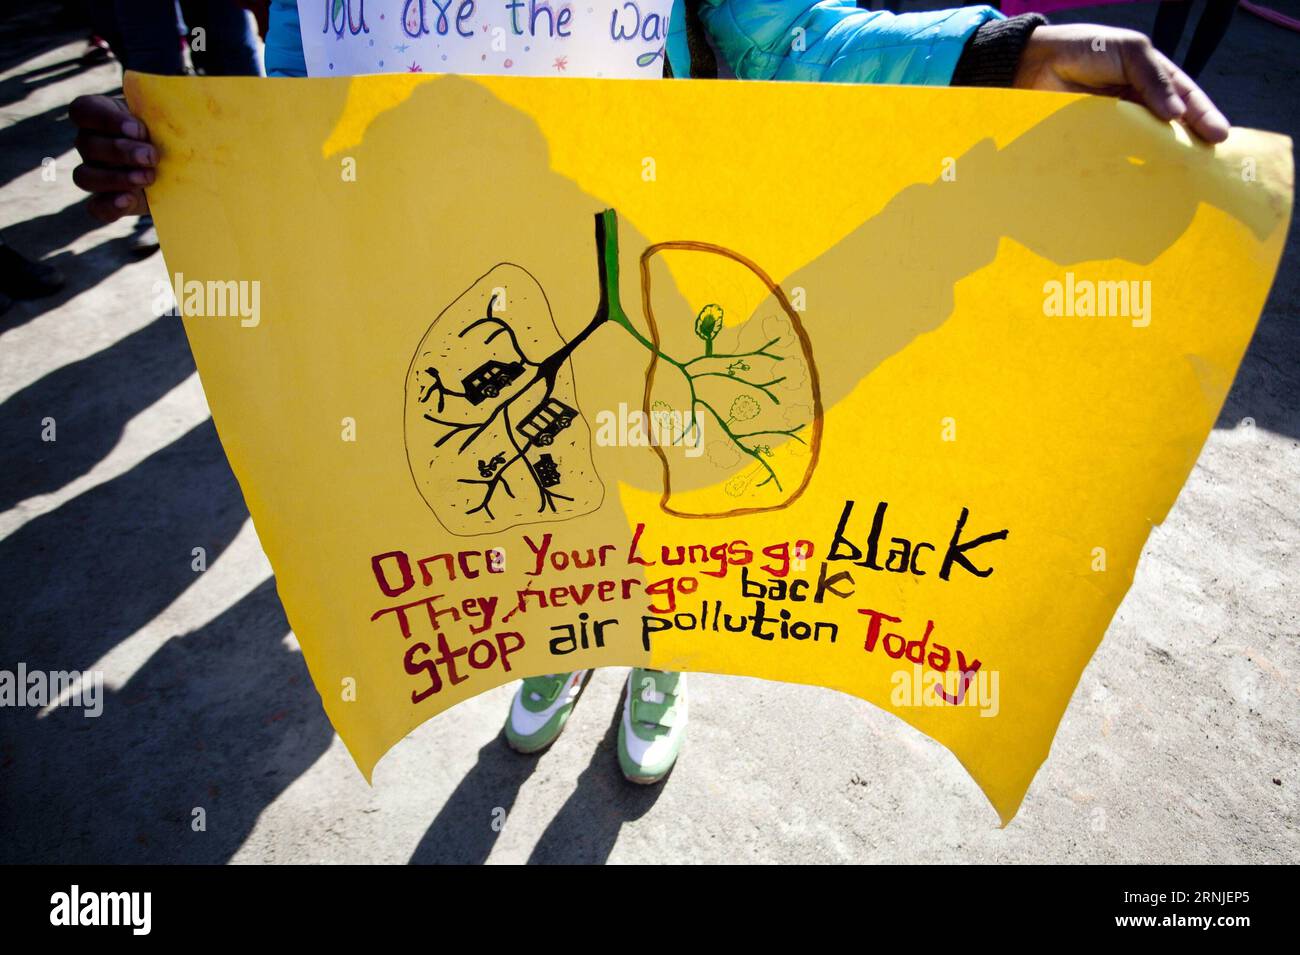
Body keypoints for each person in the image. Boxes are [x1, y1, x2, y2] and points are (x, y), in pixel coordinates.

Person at [68, 0, 1230, 785]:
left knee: (675, 481)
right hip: (454, 275)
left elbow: (799, 35)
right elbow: (275, 85)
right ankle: (558, 639)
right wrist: (178, 154)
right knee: (538, 483)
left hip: (656, 241)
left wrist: (1007, 56)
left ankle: (660, 645)